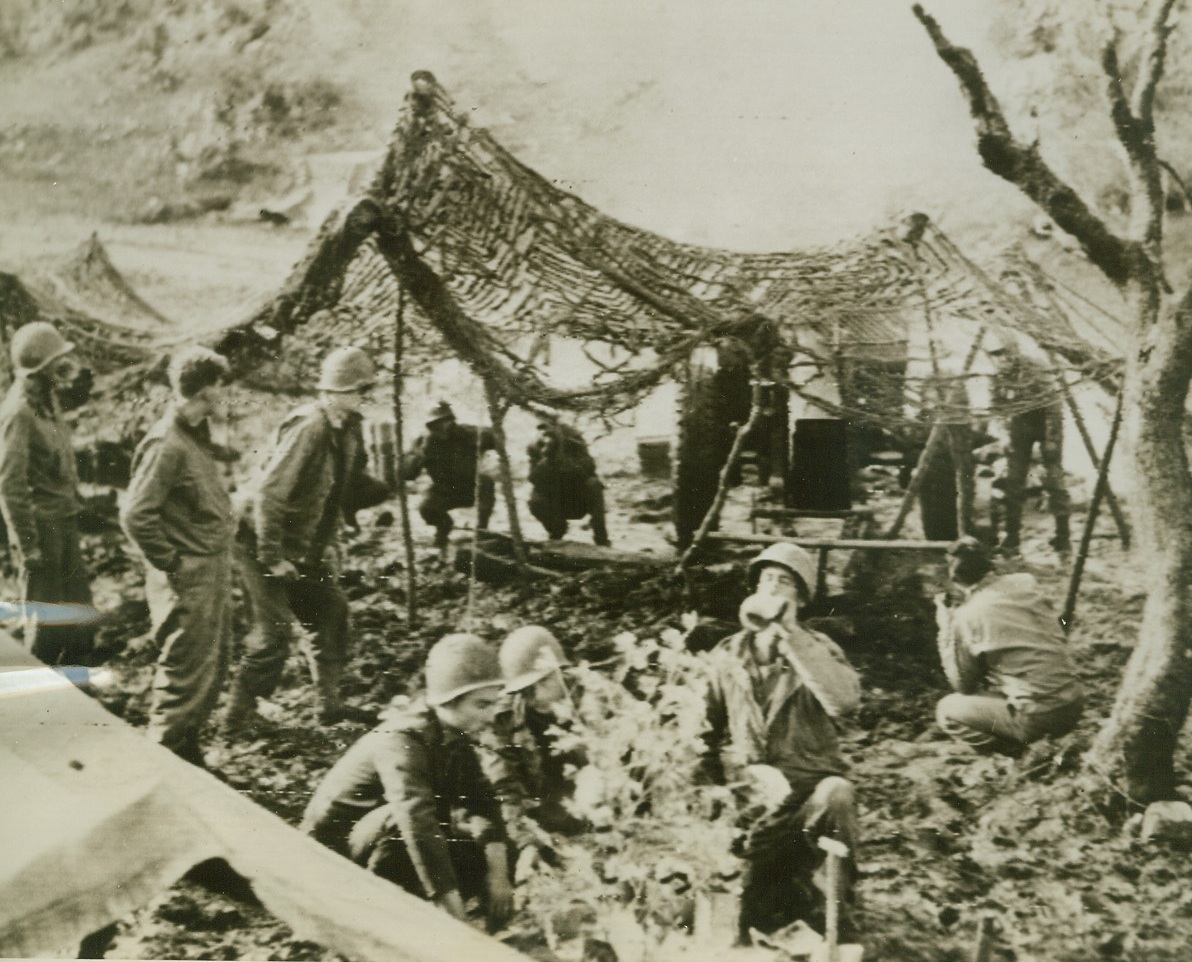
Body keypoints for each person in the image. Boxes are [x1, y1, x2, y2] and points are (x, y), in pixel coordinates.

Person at [700, 542, 862, 944]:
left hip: (808, 802)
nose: (771, 588)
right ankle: (776, 888)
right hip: (755, 809)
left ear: (801, 598)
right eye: (765, 579)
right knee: (738, 915)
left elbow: (844, 703)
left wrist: (791, 637)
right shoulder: (728, 655)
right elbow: (700, 730)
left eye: (784, 581)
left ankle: (838, 902)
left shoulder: (819, 650)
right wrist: (713, 793)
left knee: (838, 792)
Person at [225, 346, 389, 731]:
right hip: (260, 541)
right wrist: (271, 557)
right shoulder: (310, 427)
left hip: (302, 545)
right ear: (334, 391)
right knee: (274, 633)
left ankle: (328, 705)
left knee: (331, 611)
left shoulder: (347, 429)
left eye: (368, 388)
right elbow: (270, 494)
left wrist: (391, 483)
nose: (366, 395)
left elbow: (338, 490)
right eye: (359, 388)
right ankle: (237, 717)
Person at [300, 633, 513, 929]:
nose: (491, 716)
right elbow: (416, 821)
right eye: (481, 705)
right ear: (449, 701)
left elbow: (484, 803)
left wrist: (498, 875)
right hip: (330, 861)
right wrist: (456, 921)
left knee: (492, 848)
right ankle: (382, 921)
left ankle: (428, 917)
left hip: (376, 845)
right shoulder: (403, 739)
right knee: (408, 825)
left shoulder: (454, 737)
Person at [120, 347, 237, 765]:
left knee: (210, 666)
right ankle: (161, 767)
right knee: (184, 673)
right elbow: (136, 513)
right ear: (205, 392)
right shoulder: (166, 444)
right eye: (221, 391)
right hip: (189, 576)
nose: (225, 399)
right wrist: (171, 561)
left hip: (208, 571)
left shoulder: (193, 435)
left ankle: (185, 752)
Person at [934, 536, 1084, 757]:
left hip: (1039, 717)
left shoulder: (966, 616)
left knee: (947, 709)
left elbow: (963, 685)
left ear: (954, 580)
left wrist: (946, 626)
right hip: (1074, 702)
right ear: (991, 566)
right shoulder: (1025, 582)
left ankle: (1015, 754)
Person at [0, 322, 95, 666]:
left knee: (80, 619)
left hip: (63, 522)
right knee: (45, 628)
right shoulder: (19, 413)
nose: (63, 369)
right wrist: (29, 547)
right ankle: (37, 704)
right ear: (39, 371)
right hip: (41, 533)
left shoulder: (47, 400)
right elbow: (9, 485)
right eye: (56, 363)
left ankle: (76, 694)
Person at [482, 626, 588, 865]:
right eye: (526, 689)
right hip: (545, 820)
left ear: (559, 670)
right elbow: (504, 786)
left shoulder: (595, 697)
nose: (534, 696)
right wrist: (527, 841)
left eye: (543, 682)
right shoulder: (503, 718)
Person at [987, 336, 1070, 555]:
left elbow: (1053, 406)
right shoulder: (996, 376)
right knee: (1013, 480)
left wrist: (1051, 440)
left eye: (1004, 353)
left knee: (1053, 478)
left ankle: (1063, 536)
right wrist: (1004, 434)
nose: (1002, 359)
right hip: (1018, 427)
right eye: (996, 355)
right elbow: (996, 409)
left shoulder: (1035, 367)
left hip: (1044, 423)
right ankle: (1012, 536)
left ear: (1014, 351)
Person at [401, 401, 496, 558]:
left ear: (452, 420)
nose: (441, 427)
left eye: (444, 421)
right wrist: (420, 452)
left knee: (485, 481)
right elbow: (407, 474)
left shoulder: (467, 433)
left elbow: (496, 437)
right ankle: (442, 531)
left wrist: (474, 437)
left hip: (471, 488)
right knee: (426, 507)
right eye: (434, 424)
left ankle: (482, 532)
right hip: (445, 489)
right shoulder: (426, 442)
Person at [526, 417, 610, 547]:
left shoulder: (574, 443)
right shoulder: (536, 448)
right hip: (555, 502)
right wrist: (546, 462)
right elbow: (533, 479)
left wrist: (564, 461)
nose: (546, 437)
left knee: (594, 484)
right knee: (535, 501)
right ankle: (556, 531)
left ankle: (601, 538)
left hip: (577, 500)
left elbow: (589, 467)